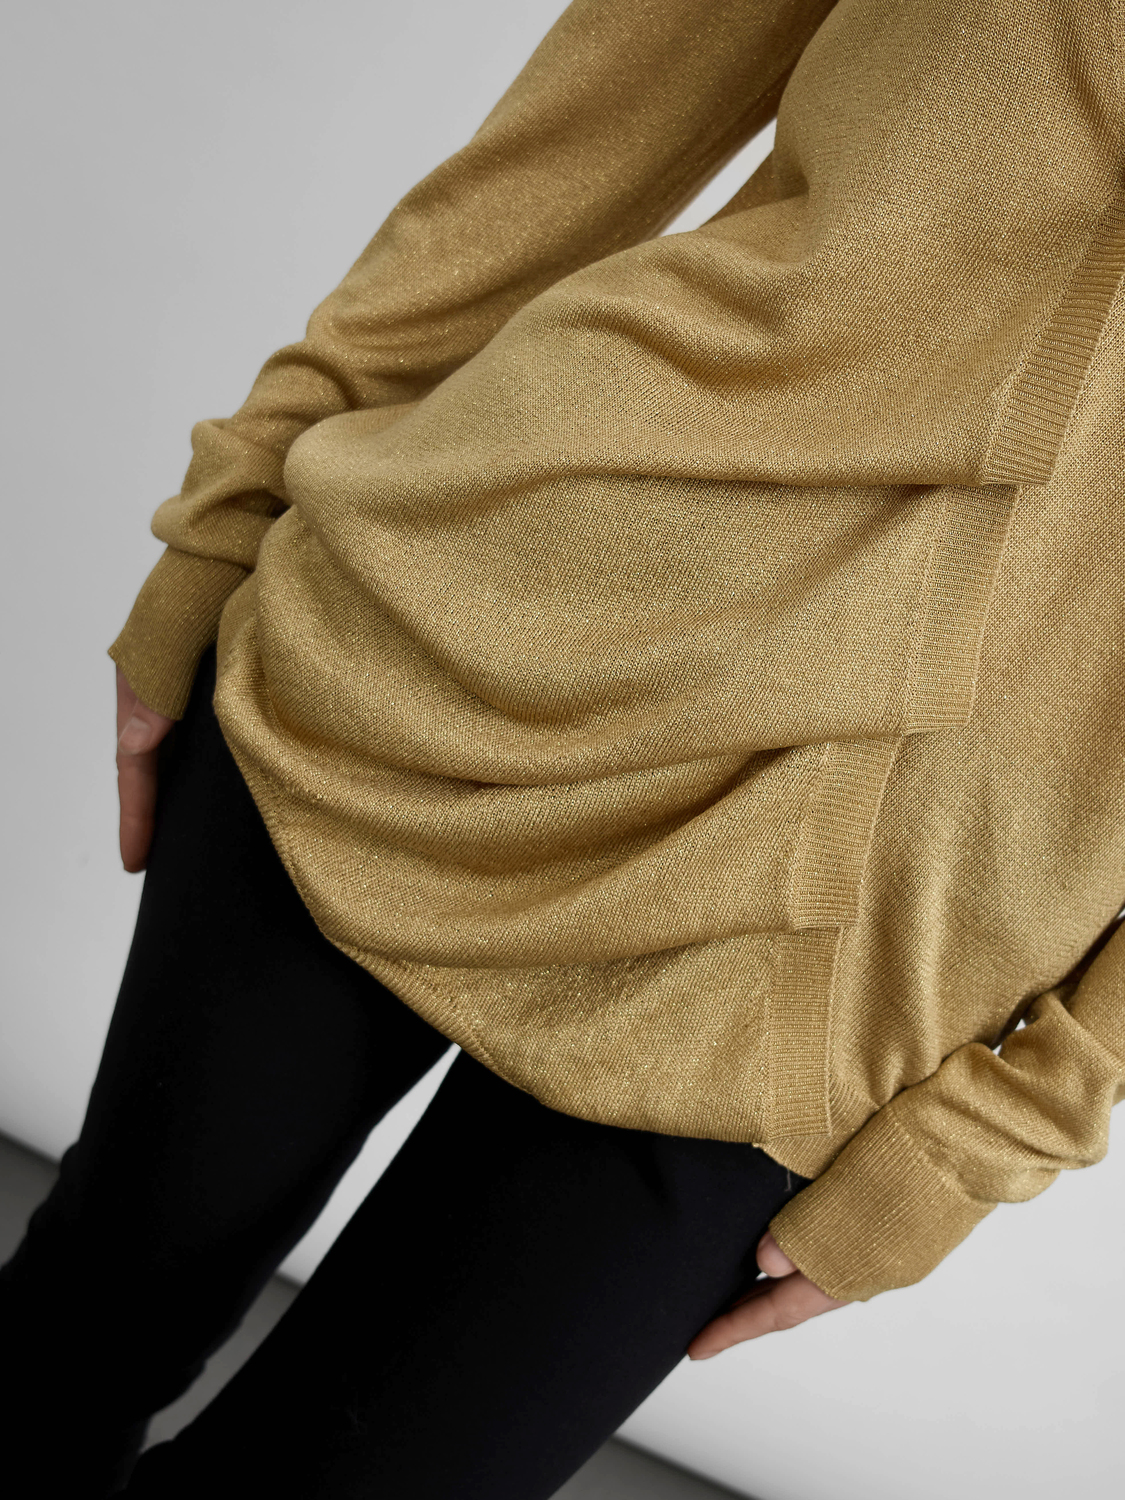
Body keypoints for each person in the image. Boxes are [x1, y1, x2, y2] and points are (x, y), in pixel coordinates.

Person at [4, 0, 1125, 1494]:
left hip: (857, 944)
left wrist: (1030, 1108)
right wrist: (233, 511)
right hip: (475, 655)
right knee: (79, 1326)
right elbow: (573, 142)